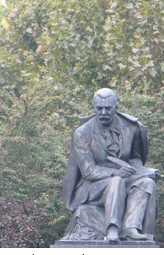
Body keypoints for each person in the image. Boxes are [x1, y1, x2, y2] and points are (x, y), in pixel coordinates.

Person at [62, 88, 158, 243]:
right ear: (93, 108)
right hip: (93, 186)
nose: (103, 112)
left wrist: (141, 171)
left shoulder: (131, 128)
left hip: (124, 178)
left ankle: (131, 227)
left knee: (146, 183)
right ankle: (112, 229)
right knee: (116, 181)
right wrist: (115, 173)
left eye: (108, 108)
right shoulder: (82, 133)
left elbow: (135, 157)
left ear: (116, 107)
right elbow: (88, 171)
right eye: (99, 108)